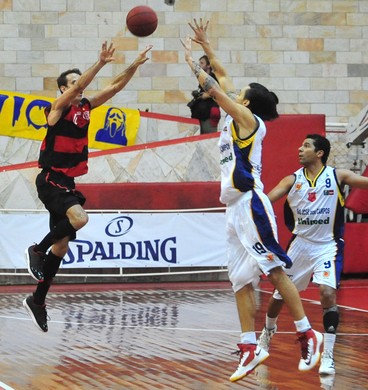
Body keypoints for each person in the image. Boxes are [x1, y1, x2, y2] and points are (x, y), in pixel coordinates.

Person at [182, 19, 322, 382]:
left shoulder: (248, 119)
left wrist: (195, 66)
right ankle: (249, 346)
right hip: (233, 208)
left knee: (273, 268)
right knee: (240, 280)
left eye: (240, 91)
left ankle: (308, 332)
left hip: (250, 203)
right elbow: (224, 76)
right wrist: (208, 46)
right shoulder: (237, 117)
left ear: (247, 102)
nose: (234, 89)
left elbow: (215, 88)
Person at [23, 42, 153, 333]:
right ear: (62, 90)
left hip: (67, 181)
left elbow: (116, 88)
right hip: (50, 178)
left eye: (77, 83)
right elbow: (84, 82)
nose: (78, 87)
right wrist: (101, 63)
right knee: (79, 219)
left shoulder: (85, 107)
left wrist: (134, 65)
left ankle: (37, 300)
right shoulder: (55, 109)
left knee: (62, 247)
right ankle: (36, 250)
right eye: (72, 84)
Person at [257, 134, 368, 376]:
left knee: (327, 293)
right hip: (299, 245)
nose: (300, 148)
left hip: (328, 245)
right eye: (301, 144)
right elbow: (268, 200)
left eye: (306, 145)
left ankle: (328, 355)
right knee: (279, 296)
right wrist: (251, 203)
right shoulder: (292, 179)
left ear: (319, 153)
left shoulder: (337, 175)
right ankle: (267, 332)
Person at [187, 54, 221, 134]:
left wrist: (206, 95)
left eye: (202, 63)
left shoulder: (213, 77)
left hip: (208, 115)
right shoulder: (202, 77)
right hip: (199, 114)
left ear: (208, 65)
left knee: (208, 139)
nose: (199, 65)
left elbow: (218, 92)